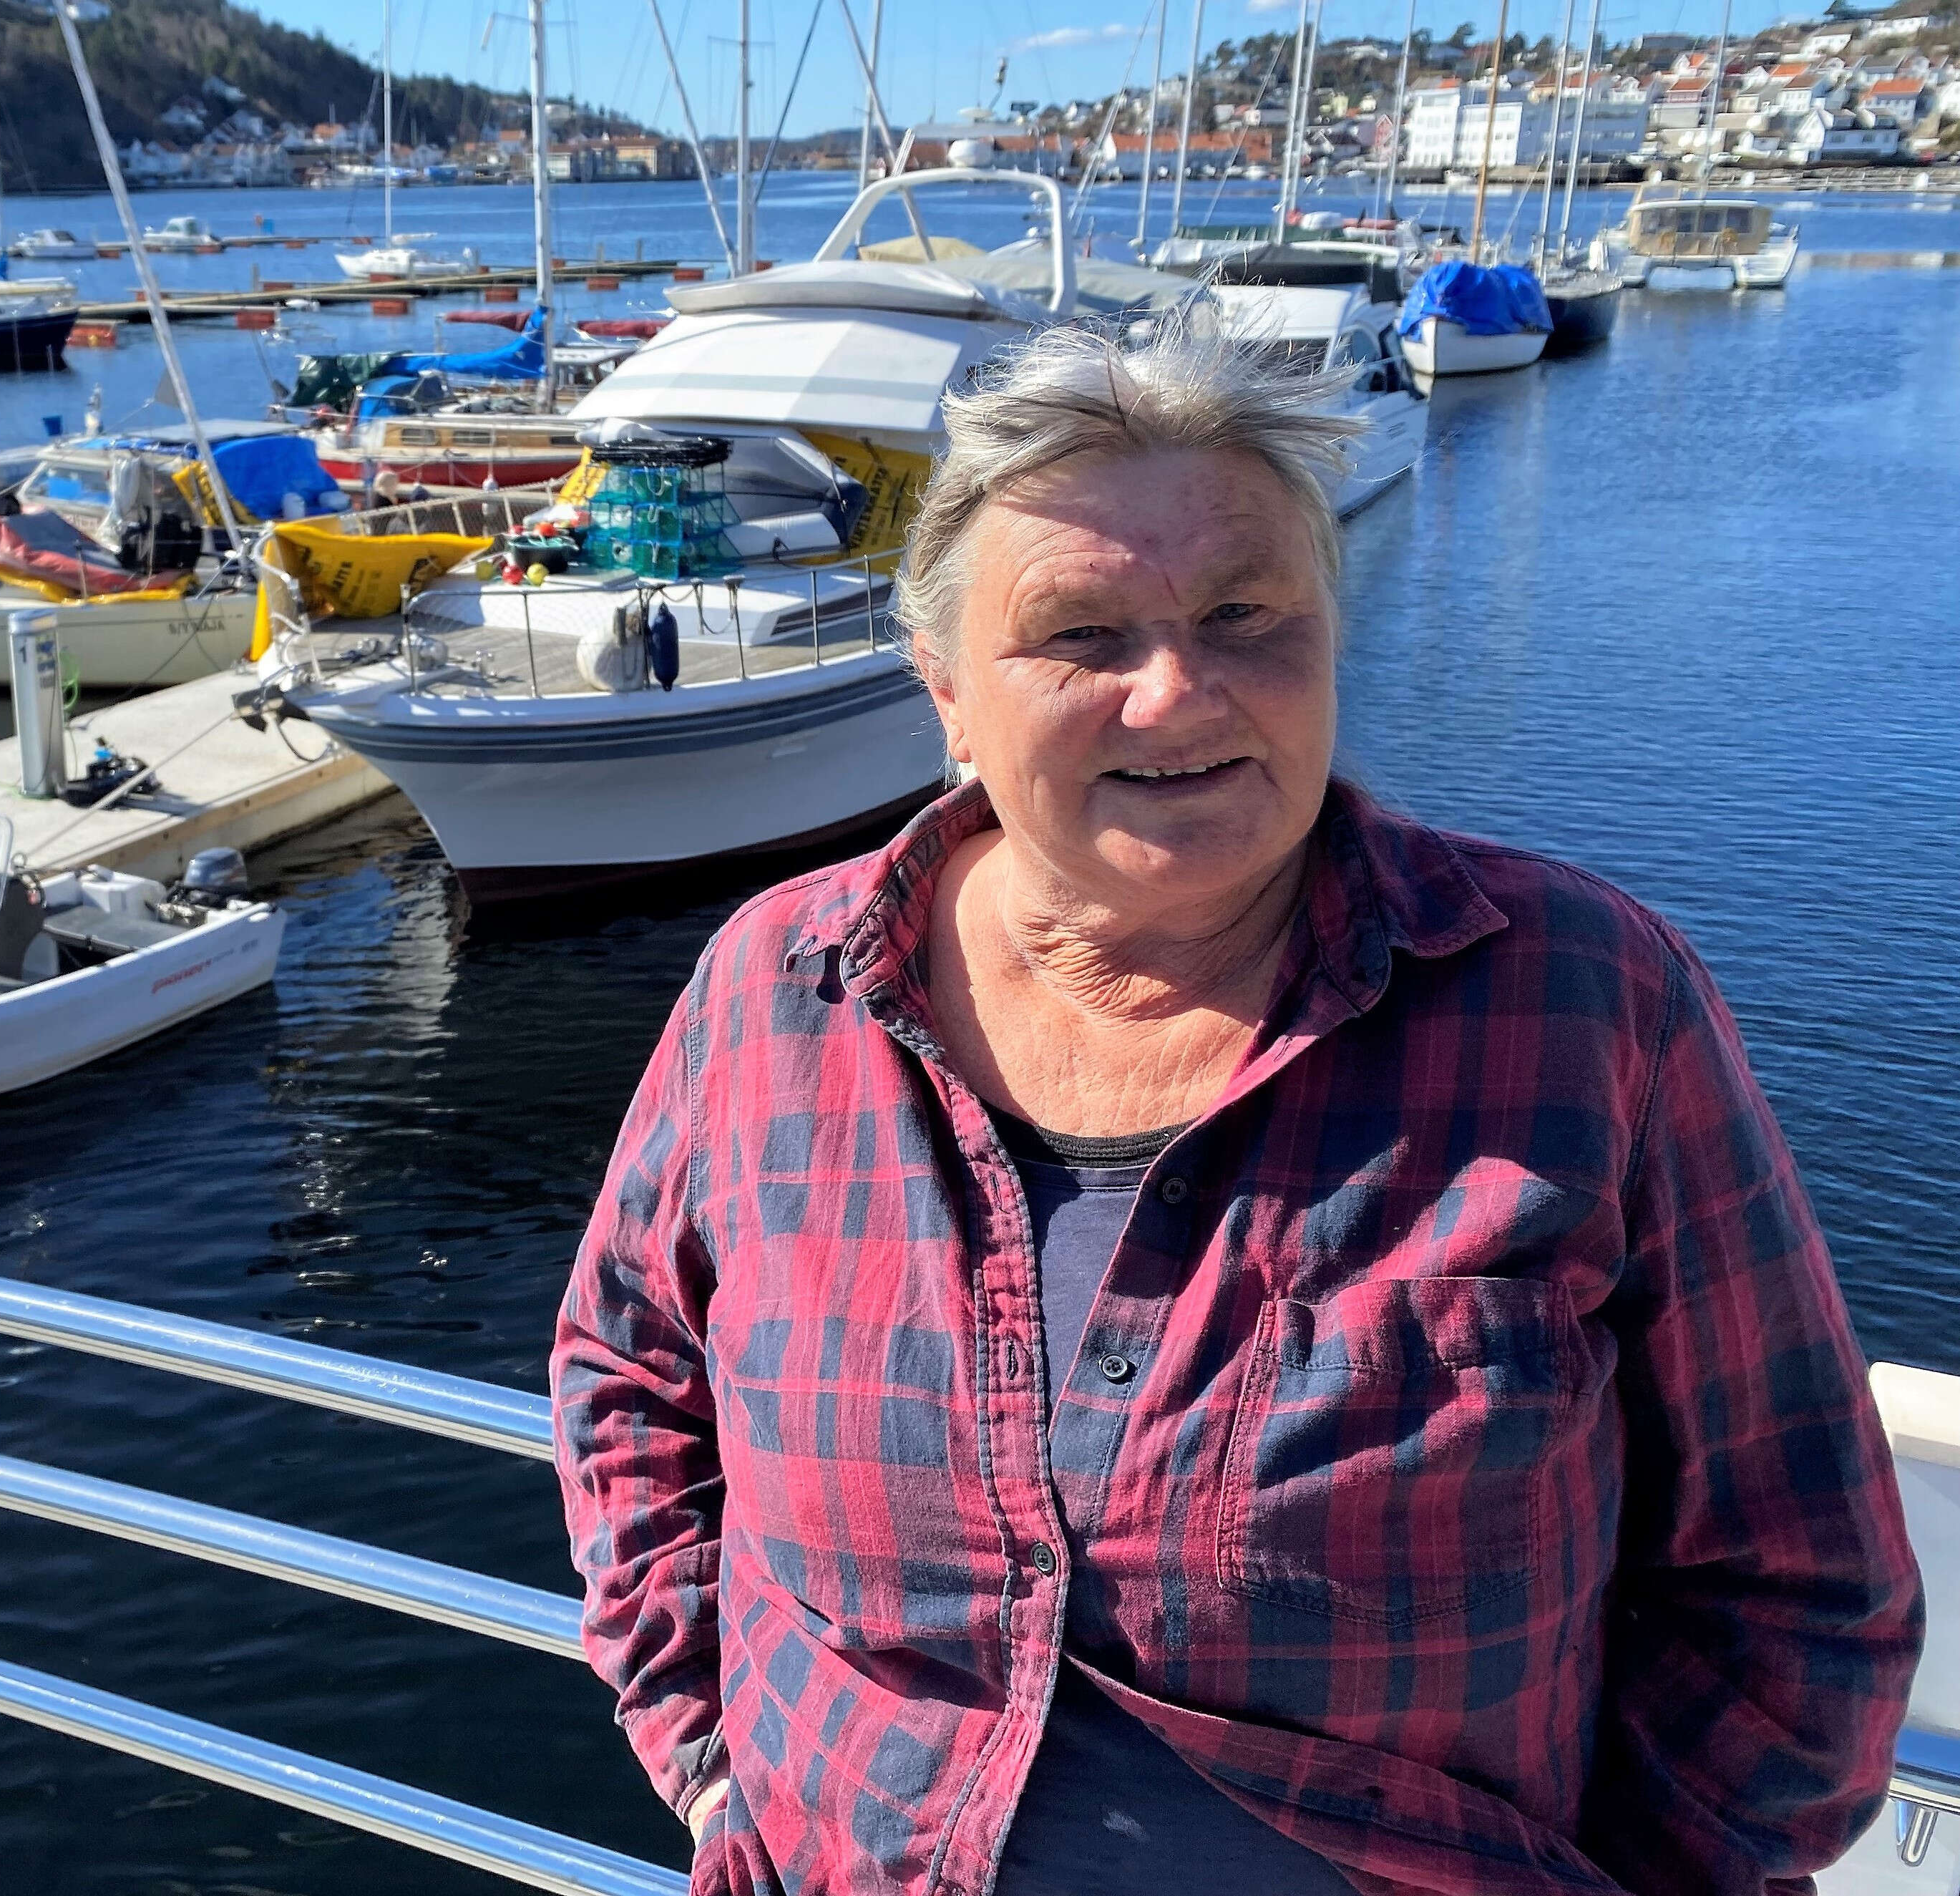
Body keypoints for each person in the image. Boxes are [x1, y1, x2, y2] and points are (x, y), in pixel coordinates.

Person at [549, 318, 1922, 1896]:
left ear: (1331, 638)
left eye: (1243, 614)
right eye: (1078, 633)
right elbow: (627, 1367)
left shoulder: (1582, 999)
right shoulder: (776, 987)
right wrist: (711, 1754)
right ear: (945, 695)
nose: (1176, 691)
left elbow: (1795, 1565)